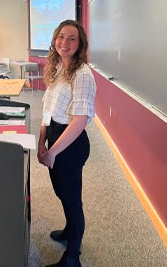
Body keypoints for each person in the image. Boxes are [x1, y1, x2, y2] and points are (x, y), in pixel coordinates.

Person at [38, 20, 96, 267]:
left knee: (72, 199)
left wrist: (52, 152)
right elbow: (47, 109)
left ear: (80, 43)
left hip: (70, 144)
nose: (65, 43)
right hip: (54, 136)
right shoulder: (58, 68)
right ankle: (69, 230)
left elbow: (80, 121)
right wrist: (41, 142)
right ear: (54, 39)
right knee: (62, 192)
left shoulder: (82, 74)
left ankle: (73, 257)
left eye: (72, 38)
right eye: (61, 37)